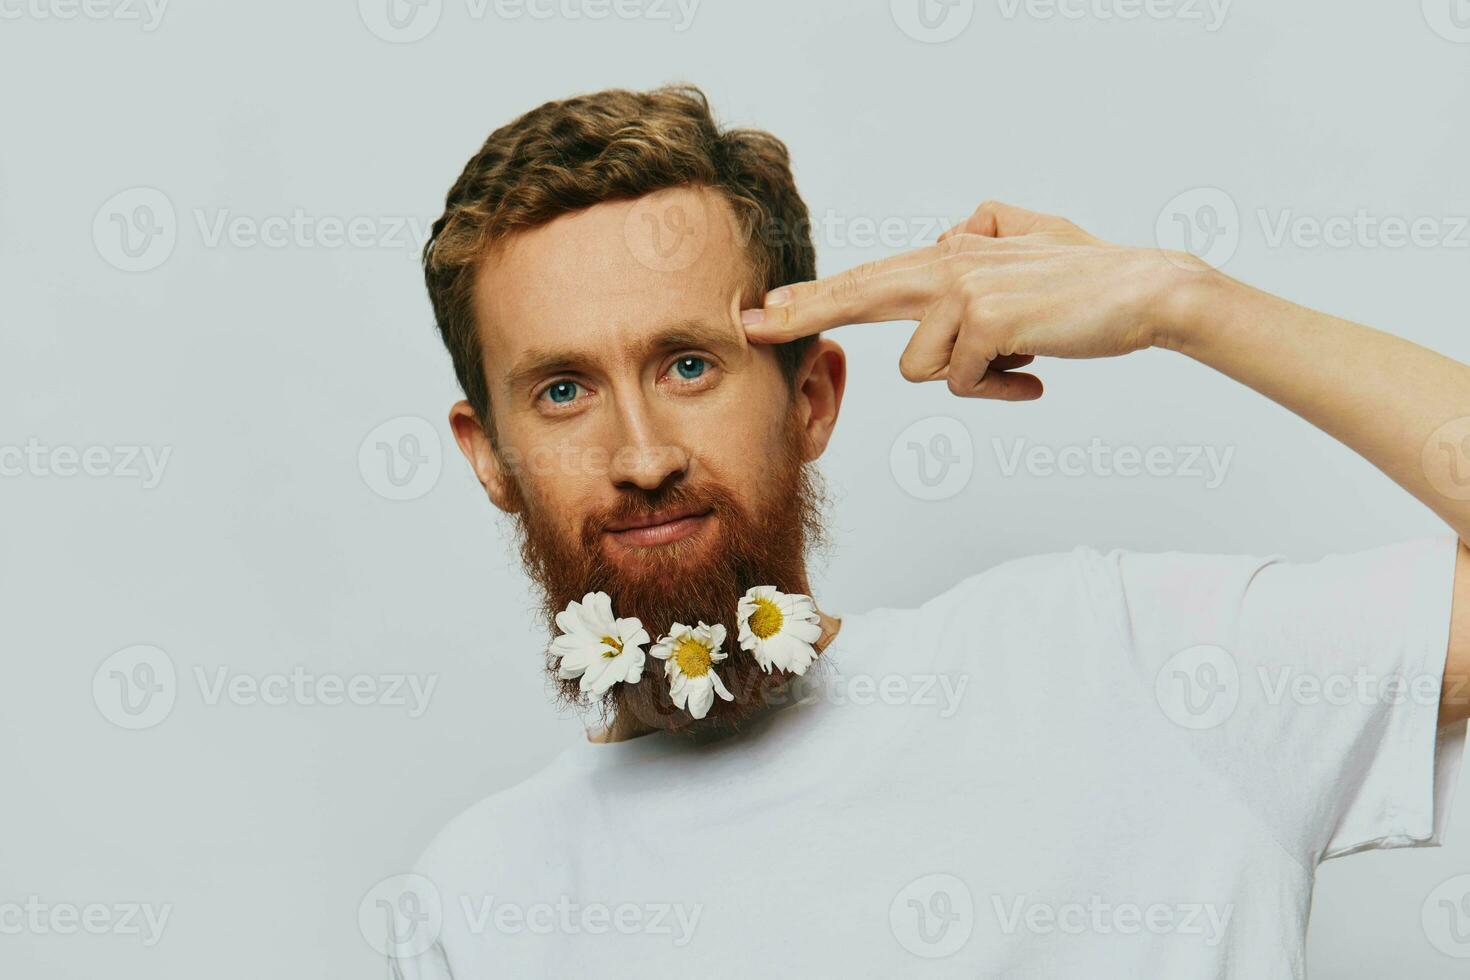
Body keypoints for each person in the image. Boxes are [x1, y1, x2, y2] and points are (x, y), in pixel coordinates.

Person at [390, 85, 1470, 978]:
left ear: (811, 397)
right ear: (488, 454)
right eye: (565, 388)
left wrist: (1182, 301)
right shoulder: (476, 900)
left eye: (688, 364)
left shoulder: (1125, 665)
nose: (642, 454)